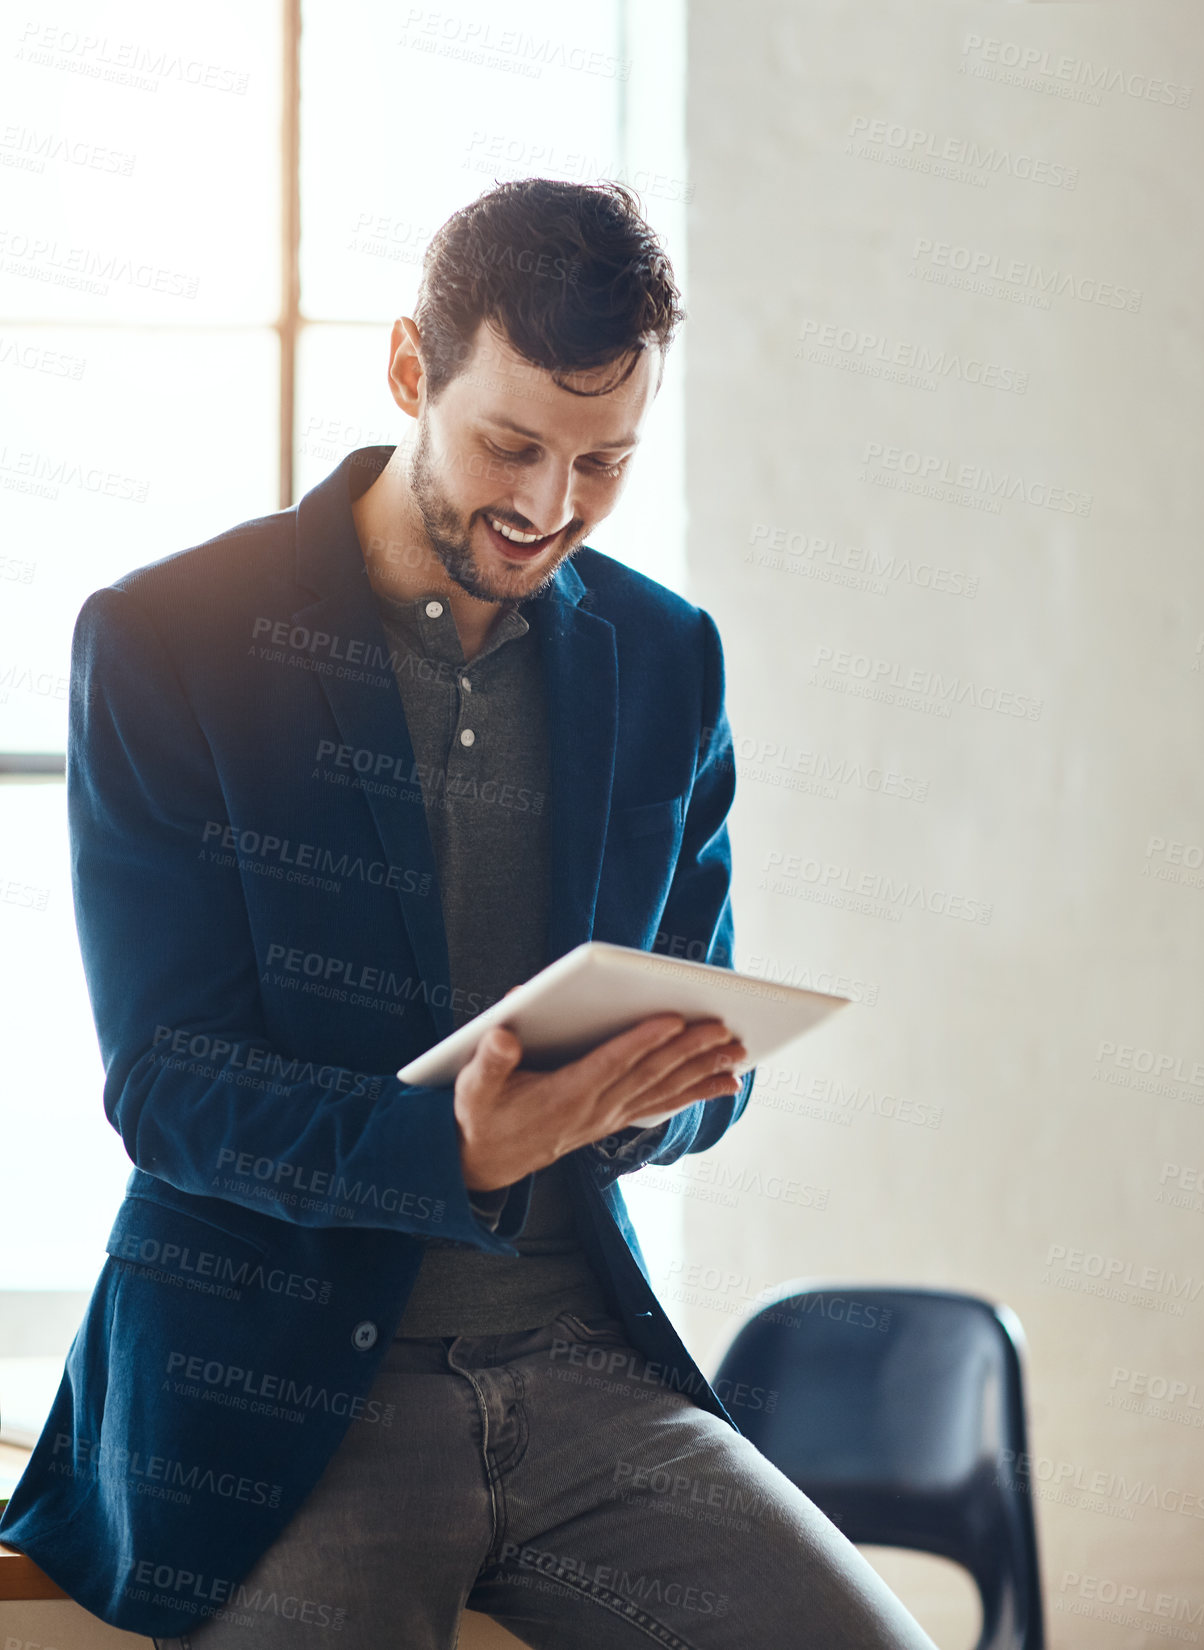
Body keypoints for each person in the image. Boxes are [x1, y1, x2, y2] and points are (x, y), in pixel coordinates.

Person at [0, 179, 938, 1649]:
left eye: (603, 463)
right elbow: (168, 1084)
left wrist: (650, 1099)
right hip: (286, 1395)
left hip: (579, 1376)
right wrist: (454, 1146)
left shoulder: (665, 656)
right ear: (405, 372)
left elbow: (702, 1022)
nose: (548, 507)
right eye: (511, 444)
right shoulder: (166, 640)